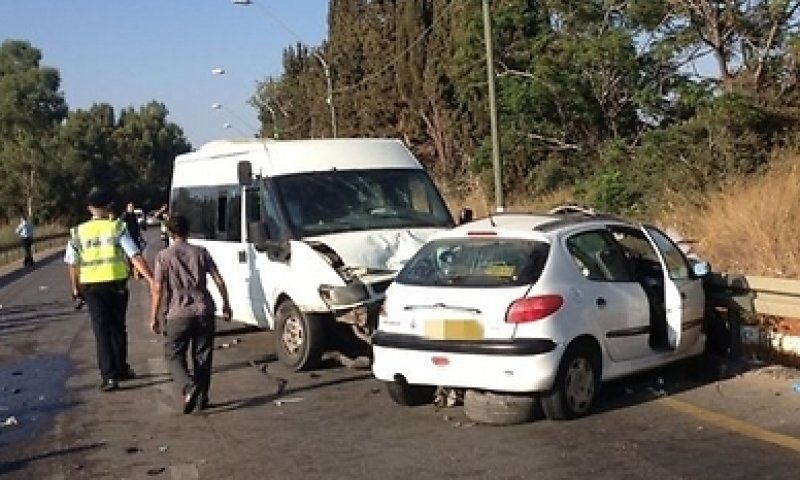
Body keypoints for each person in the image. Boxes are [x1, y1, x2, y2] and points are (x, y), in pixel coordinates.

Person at [65, 187, 155, 392]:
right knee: (118, 328)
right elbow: (134, 255)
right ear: (108, 207)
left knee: (101, 331)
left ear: (89, 208)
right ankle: (121, 367)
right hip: (116, 285)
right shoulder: (117, 227)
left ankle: (109, 377)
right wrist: (151, 278)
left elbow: (73, 264)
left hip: (92, 288)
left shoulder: (77, 232)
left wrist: (75, 288)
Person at [150, 214, 231, 414]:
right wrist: (226, 304)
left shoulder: (163, 256)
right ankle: (202, 397)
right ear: (188, 231)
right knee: (202, 355)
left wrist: (154, 316)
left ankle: (188, 386)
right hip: (204, 308)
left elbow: (158, 289)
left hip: (177, 311)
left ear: (169, 232)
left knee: (173, 355)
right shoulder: (201, 252)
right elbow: (219, 280)